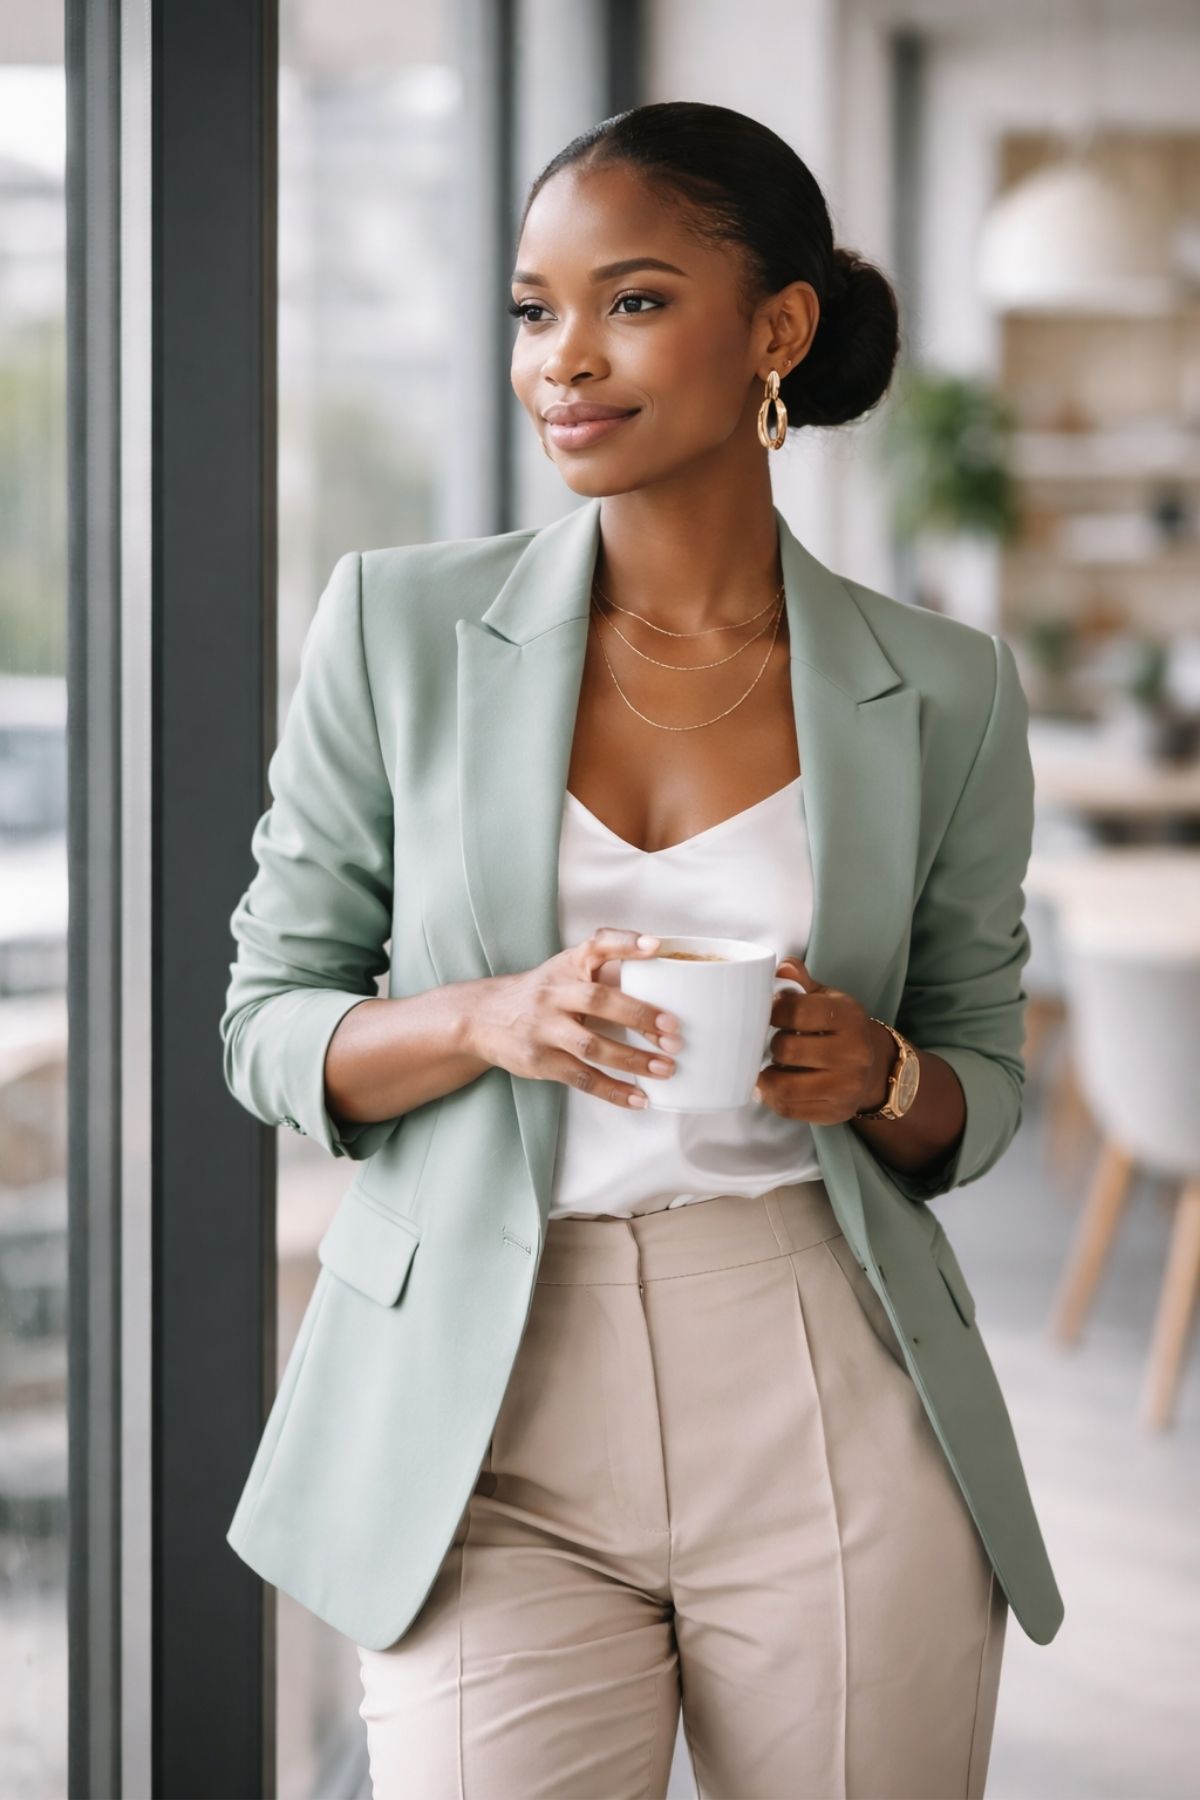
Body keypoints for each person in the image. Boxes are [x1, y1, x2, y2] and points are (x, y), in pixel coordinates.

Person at [220, 99, 1063, 1800]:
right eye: (535, 310)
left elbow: (983, 1081)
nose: (566, 360)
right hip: (478, 1402)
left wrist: (882, 1073)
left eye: (633, 300)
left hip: (822, 1372)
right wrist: (483, 1018)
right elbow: (268, 1024)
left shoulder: (946, 688)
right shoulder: (395, 626)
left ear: (778, 331)